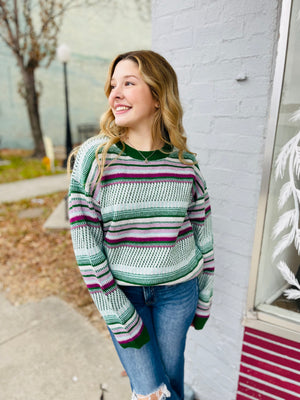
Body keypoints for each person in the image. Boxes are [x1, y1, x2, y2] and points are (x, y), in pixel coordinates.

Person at [68, 50, 214, 400]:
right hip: (123, 292)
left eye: (128, 83)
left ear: (158, 96)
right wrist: (118, 311)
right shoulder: (95, 158)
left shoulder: (185, 164)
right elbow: (87, 248)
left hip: (179, 291)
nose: (115, 93)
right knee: (151, 391)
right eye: (112, 85)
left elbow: (202, 231)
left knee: (172, 378)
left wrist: (205, 294)